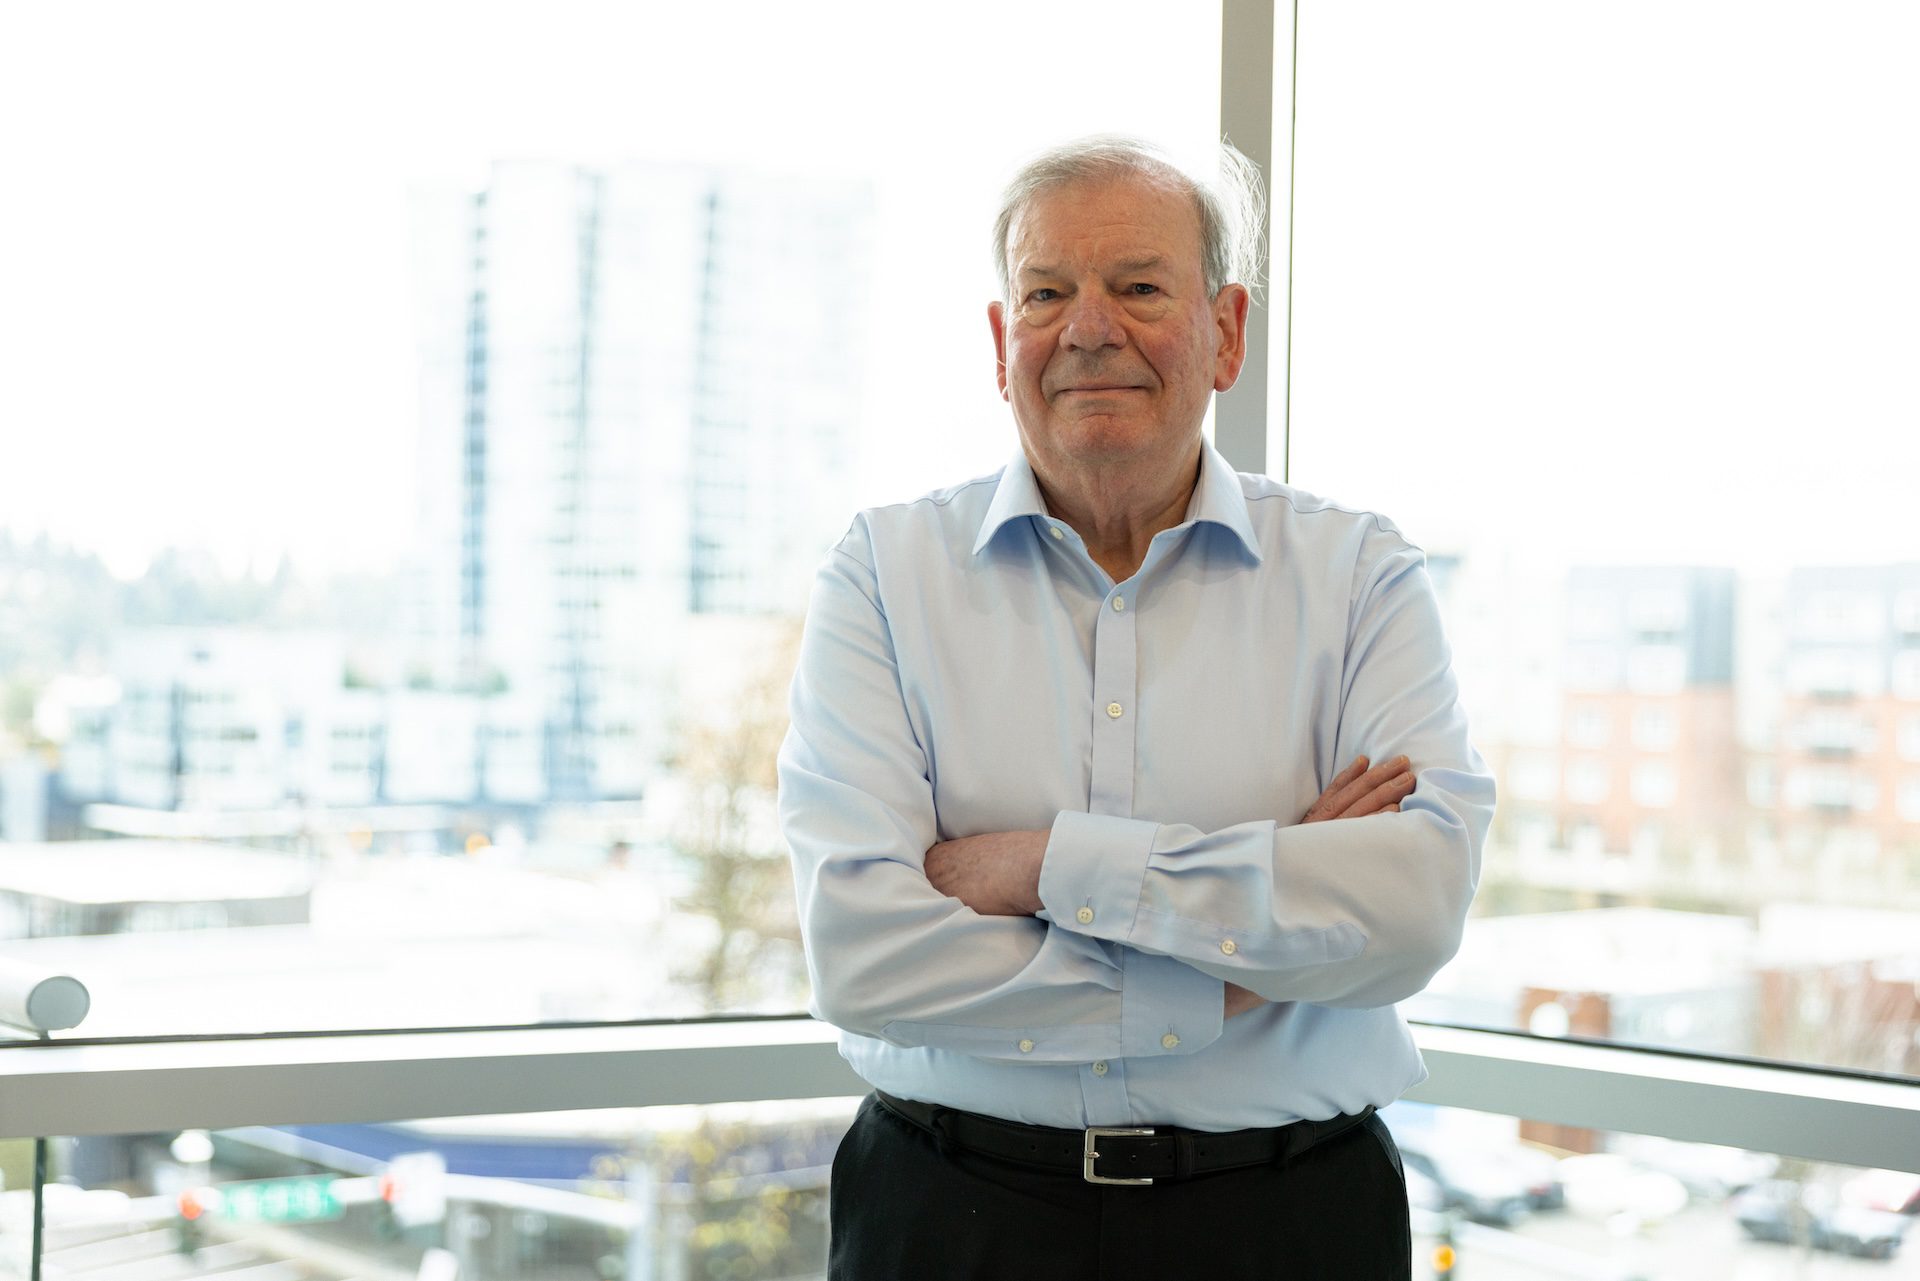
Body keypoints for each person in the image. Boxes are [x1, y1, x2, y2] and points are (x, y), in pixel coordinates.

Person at [777, 136, 1495, 1279]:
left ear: (1227, 333)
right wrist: (1250, 949)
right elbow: (865, 961)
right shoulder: (882, 572)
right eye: (1046, 292)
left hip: (1289, 1222)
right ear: (1003, 342)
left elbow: (1410, 913)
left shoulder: (1361, 576)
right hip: (950, 1217)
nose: (1089, 327)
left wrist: (1039, 866)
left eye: (1140, 287)